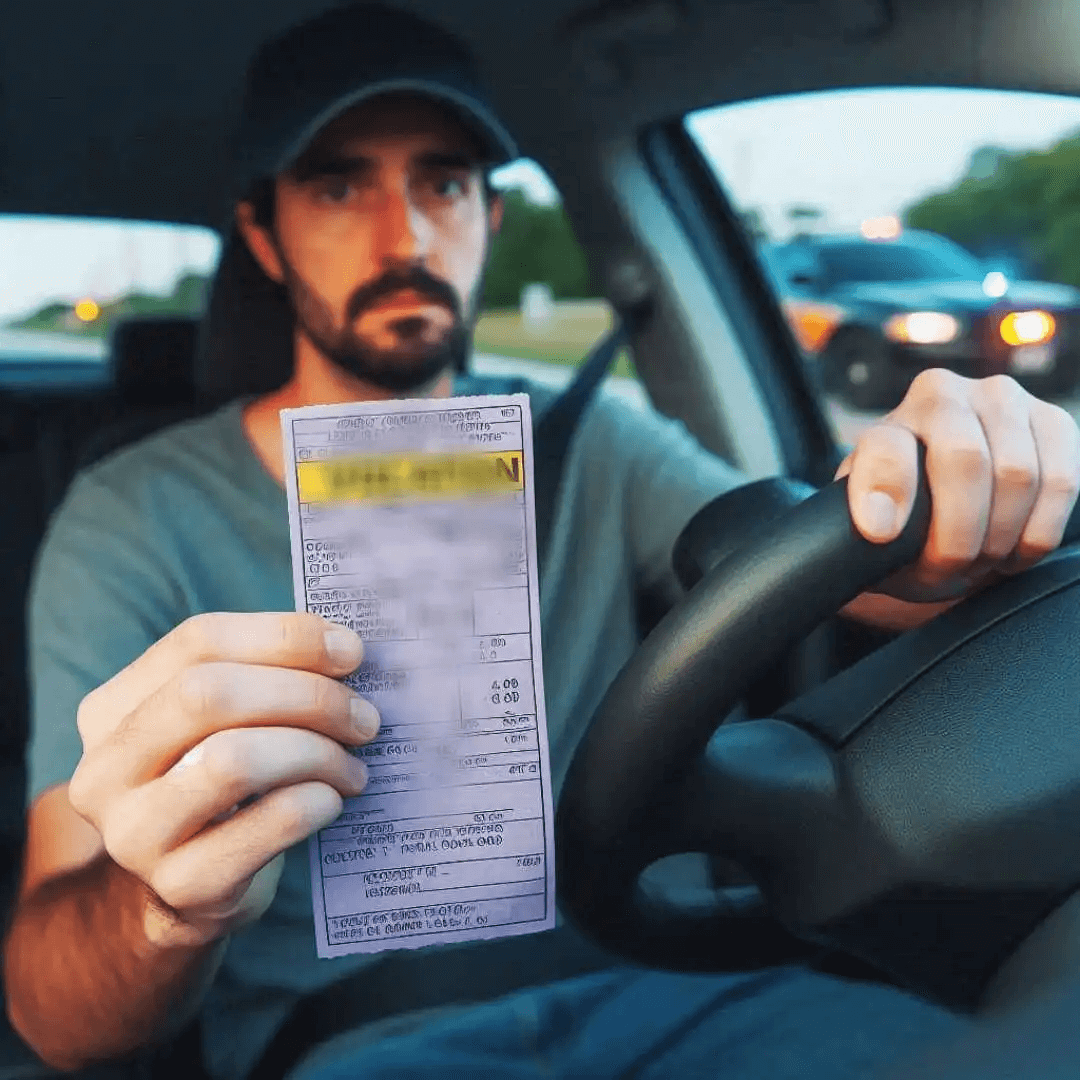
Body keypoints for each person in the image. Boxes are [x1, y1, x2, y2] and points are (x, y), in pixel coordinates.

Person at [5, 4, 1080, 1079]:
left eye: (445, 182)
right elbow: (53, 1012)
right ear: (262, 234)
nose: (406, 237)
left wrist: (930, 519)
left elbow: (809, 579)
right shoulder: (132, 517)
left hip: (683, 986)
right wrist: (159, 905)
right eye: (339, 187)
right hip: (364, 1038)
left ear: (487, 212)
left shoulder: (590, 441)